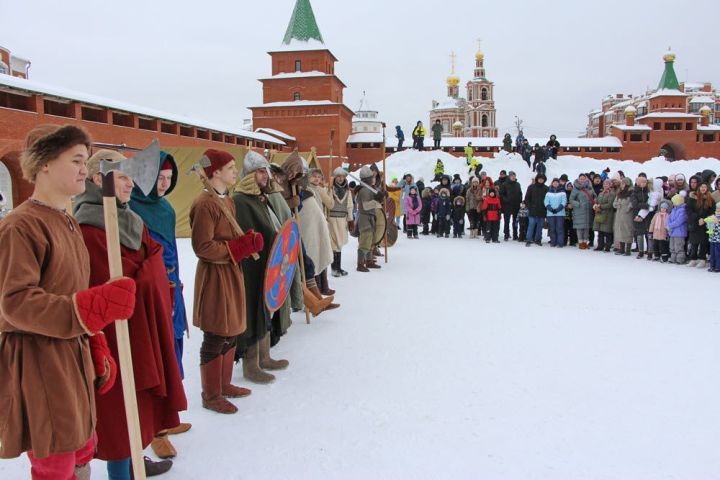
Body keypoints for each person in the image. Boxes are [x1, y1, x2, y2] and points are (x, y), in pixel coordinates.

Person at [0, 125, 134, 480]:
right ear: (44, 163)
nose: (83, 170)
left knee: (80, 446)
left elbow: (73, 288)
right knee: (55, 459)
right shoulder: (21, 226)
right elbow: (15, 303)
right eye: (76, 160)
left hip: (70, 355)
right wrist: (95, 307)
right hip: (40, 359)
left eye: (85, 161)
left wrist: (96, 343)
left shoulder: (67, 222)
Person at [76, 149, 186, 478]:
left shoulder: (129, 217)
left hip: (139, 328)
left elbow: (152, 258)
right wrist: (150, 268)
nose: (130, 184)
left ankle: (133, 465)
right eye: (122, 177)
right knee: (118, 417)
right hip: (113, 335)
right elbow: (110, 280)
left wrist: (151, 269)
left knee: (134, 410)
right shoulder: (88, 227)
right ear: (99, 179)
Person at [188, 148, 262, 416]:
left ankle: (224, 384)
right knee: (216, 332)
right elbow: (203, 246)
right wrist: (236, 249)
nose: (235, 172)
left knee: (231, 330)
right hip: (215, 276)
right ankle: (211, 395)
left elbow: (231, 235)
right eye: (230, 167)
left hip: (231, 272)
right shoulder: (204, 203)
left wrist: (245, 241)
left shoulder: (227, 200)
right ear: (215, 172)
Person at [129, 151, 191, 456]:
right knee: (156, 354)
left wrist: (174, 279)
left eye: (168, 179)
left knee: (174, 349)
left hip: (171, 290)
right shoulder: (130, 210)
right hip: (150, 293)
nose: (164, 185)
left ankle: (169, 415)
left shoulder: (164, 208)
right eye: (159, 179)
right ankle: (155, 430)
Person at [233, 151, 292, 384]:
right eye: (259, 171)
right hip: (251, 267)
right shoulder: (240, 200)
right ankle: (251, 364)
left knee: (267, 308)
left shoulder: (260, 198)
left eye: (265, 171)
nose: (265, 175)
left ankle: (265, 356)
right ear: (248, 174)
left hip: (269, 264)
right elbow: (247, 235)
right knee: (253, 311)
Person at [304, 168, 336, 295]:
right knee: (314, 255)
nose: (316, 179)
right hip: (310, 227)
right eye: (314, 176)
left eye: (319, 177)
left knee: (322, 252)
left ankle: (324, 285)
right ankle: (316, 287)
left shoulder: (320, 190)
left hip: (320, 225)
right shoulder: (307, 189)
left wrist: (330, 192)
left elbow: (331, 204)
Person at [355, 166, 386, 271]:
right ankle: (360, 264)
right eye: (371, 177)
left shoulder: (370, 189)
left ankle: (369, 261)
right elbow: (366, 206)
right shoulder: (364, 190)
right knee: (365, 240)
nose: (373, 179)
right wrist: (377, 199)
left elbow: (377, 204)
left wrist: (381, 196)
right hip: (364, 217)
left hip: (371, 217)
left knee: (371, 240)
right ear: (367, 179)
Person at [328, 167, 354, 277]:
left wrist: (350, 220)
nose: (341, 178)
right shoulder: (329, 189)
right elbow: (327, 204)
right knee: (334, 244)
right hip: (332, 219)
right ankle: (334, 269)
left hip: (342, 219)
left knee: (339, 244)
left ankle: (338, 267)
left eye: (342, 176)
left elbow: (349, 206)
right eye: (338, 176)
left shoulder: (347, 191)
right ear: (335, 177)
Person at [686, 182, 714, 268]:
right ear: (698, 188)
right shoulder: (692, 198)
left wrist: (705, 220)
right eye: (701, 187)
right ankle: (693, 259)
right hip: (695, 223)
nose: (703, 188)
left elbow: (712, 212)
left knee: (703, 242)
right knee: (694, 242)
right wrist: (698, 218)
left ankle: (702, 259)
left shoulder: (710, 199)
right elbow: (689, 210)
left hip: (705, 224)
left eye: (705, 187)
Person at [569, 173, 597, 249]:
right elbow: (571, 199)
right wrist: (578, 204)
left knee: (586, 227)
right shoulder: (576, 188)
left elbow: (594, 195)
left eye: (583, 178)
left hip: (588, 210)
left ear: (586, 179)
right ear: (578, 179)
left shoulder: (590, 187)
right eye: (580, 179)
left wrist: (595, 199)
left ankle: (585, 242)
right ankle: (581, 242)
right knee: (580, 227)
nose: (582, 180)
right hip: (579, 210)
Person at [524, 173, 548, 246]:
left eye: (542, 179)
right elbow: (527, 198)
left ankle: (538, 239)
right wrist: (529, 206)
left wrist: (545, 208)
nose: (541, 180)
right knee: (531, 225)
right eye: (540, 178)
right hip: (532, 210)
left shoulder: (546, 188)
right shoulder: (531, 187)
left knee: (540, 226)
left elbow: (548, 199)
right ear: (537, 179)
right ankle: (528, 239)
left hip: (542, 210)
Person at [592, 179, 616, 252]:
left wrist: (600, 206)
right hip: (600, 214)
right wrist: (596, 205)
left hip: (608, 214)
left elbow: (610, 204)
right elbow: (598, 201)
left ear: (610, 185)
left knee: (607, 231)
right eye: (604, 184)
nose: (605, 185)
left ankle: (608, 246)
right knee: (600, 231)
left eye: (607, 184)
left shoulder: (612, 194)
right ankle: (600, 245)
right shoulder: (601, 193)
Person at [630, 176, 651, 259]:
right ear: (638, 183)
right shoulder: (634, 192)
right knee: (639, 234)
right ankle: (640, 251)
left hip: (648, 215)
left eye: (645, 182)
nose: (644, 183)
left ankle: (649, 251)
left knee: (648, 234)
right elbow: (635, 204)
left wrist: (647, 206)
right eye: (642, 182)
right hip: (637, 215)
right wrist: (646, 205)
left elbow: (652, 201)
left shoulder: (649, 191)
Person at [499, 171, 522, 241]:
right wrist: (506, 200)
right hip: (507, 206)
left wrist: (520, 201)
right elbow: (501, 194)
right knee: (507, 221)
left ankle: (515, 235)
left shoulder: (518, 184)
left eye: (514, 176)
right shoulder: (505, 184)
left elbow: (520, 193)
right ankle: (506, 234)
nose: (513, 177)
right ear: (509, 177)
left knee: (515, 221)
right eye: (512, 176)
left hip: (516, 205)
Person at [544, 178, 567, 247]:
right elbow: (546, 202)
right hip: (550, 214)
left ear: (559, 183)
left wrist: (557, 209)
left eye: (557, 182)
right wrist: (550, 209)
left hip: (560, 213)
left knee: (559, 228)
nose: (555, 183)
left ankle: (560, 243)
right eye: (554, 182)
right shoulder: (548, 193)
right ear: (552, 183)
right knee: (552, 228)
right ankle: (553, 242)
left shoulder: (562, 192)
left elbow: (564, 202)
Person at [667, 193, 688, 264]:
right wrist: (669, 224)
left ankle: (680, 259)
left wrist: (671, 225)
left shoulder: (683, 210)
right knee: (672, 246)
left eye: (674, 202)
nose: (673, 203)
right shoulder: (673, 210)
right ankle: (673, 258)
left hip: (680, 232)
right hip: (673, 232)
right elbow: (669, 218)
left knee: (679, 246)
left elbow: (679, 221)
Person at [703, 203, 720, 272]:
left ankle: (718, 267)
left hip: (718, 239)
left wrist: (717, 223)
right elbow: (708, 227)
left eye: (719, 209)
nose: (717, 210)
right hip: (712, 238)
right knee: (712, 253)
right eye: (717, 209)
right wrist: (709, 223)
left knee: (717, 253)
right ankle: (712, 266)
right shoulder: (713, 216)